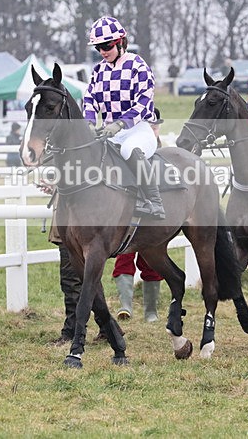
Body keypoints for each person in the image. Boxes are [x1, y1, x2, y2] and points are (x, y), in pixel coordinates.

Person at [83, 16, 164, 219]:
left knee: (129, 149)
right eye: (98, 48)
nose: (102, 51)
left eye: (106, 46)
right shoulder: (98, 70)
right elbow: (90, 98)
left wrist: (120, 124)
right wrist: (90, 123)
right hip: (109, 132)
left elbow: (143, 102)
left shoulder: (138, 66)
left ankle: (155, 202)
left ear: (120, 42)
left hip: (137, 130)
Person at [112, 108, 165, 321]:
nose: (153, 128)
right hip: (129, 211)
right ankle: (126, 306)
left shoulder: (160, 154)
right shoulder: (128, 153)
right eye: (150, 125)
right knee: (124, 256)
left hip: (151, 215)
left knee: (152, 257)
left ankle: (151, 310)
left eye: (155, 125)